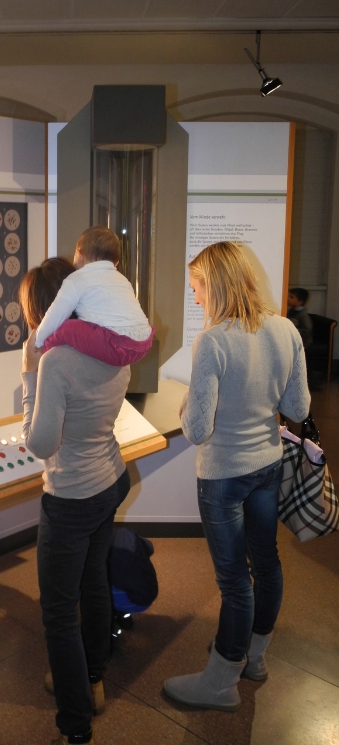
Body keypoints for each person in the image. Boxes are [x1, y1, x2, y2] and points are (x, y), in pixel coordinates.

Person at [163, 242, 310, 712]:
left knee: (234, 581)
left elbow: (197, 430)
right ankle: (255, 657)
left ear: (217, 284)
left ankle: (221, 680)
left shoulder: (213, 341)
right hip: (267, 465)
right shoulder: (285, 329)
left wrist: (189, 401)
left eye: (197, 288)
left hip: (223, 475)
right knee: (266, 564)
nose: (196, 298)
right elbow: (298, 407)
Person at [19, 257, 132, 745]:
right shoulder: (115, 340)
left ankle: (76, 726)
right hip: (111, 479)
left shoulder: (56, 361)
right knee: (94, 582)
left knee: (59, 614)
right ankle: (93, 680)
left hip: (72, 496)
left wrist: (29, 375)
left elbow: (40, 443)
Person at [34, 226, 154, 367]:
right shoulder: (123, 280)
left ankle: (42, 352)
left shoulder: (76, 278)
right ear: (116, 263)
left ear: (79, 254)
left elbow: (56, 314)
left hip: (116, 345)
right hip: (143, 342)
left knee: (66, 327)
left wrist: (38, 341)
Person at [287, 287, 313, 351]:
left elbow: (306, 330)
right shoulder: (291, 311)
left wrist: (293, 330)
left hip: (302, 342)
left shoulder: (303, 315)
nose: (288, 299)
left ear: (300, 302)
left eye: (291, 297)